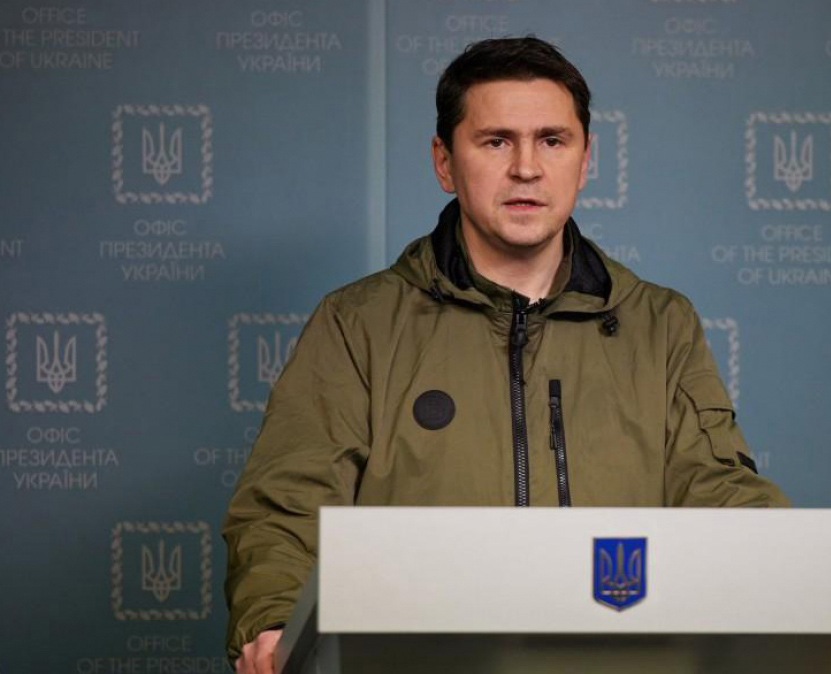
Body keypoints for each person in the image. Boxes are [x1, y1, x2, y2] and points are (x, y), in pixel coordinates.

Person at [223, 36, 788, 673]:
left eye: (552, 140)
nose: (526, 168)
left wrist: (797, 576)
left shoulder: (661, 325)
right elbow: (287, 505)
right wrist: (274, 619)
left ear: (585, 160)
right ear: (444, 162)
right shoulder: (358, 324)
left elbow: (721, 497)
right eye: (496, 142)